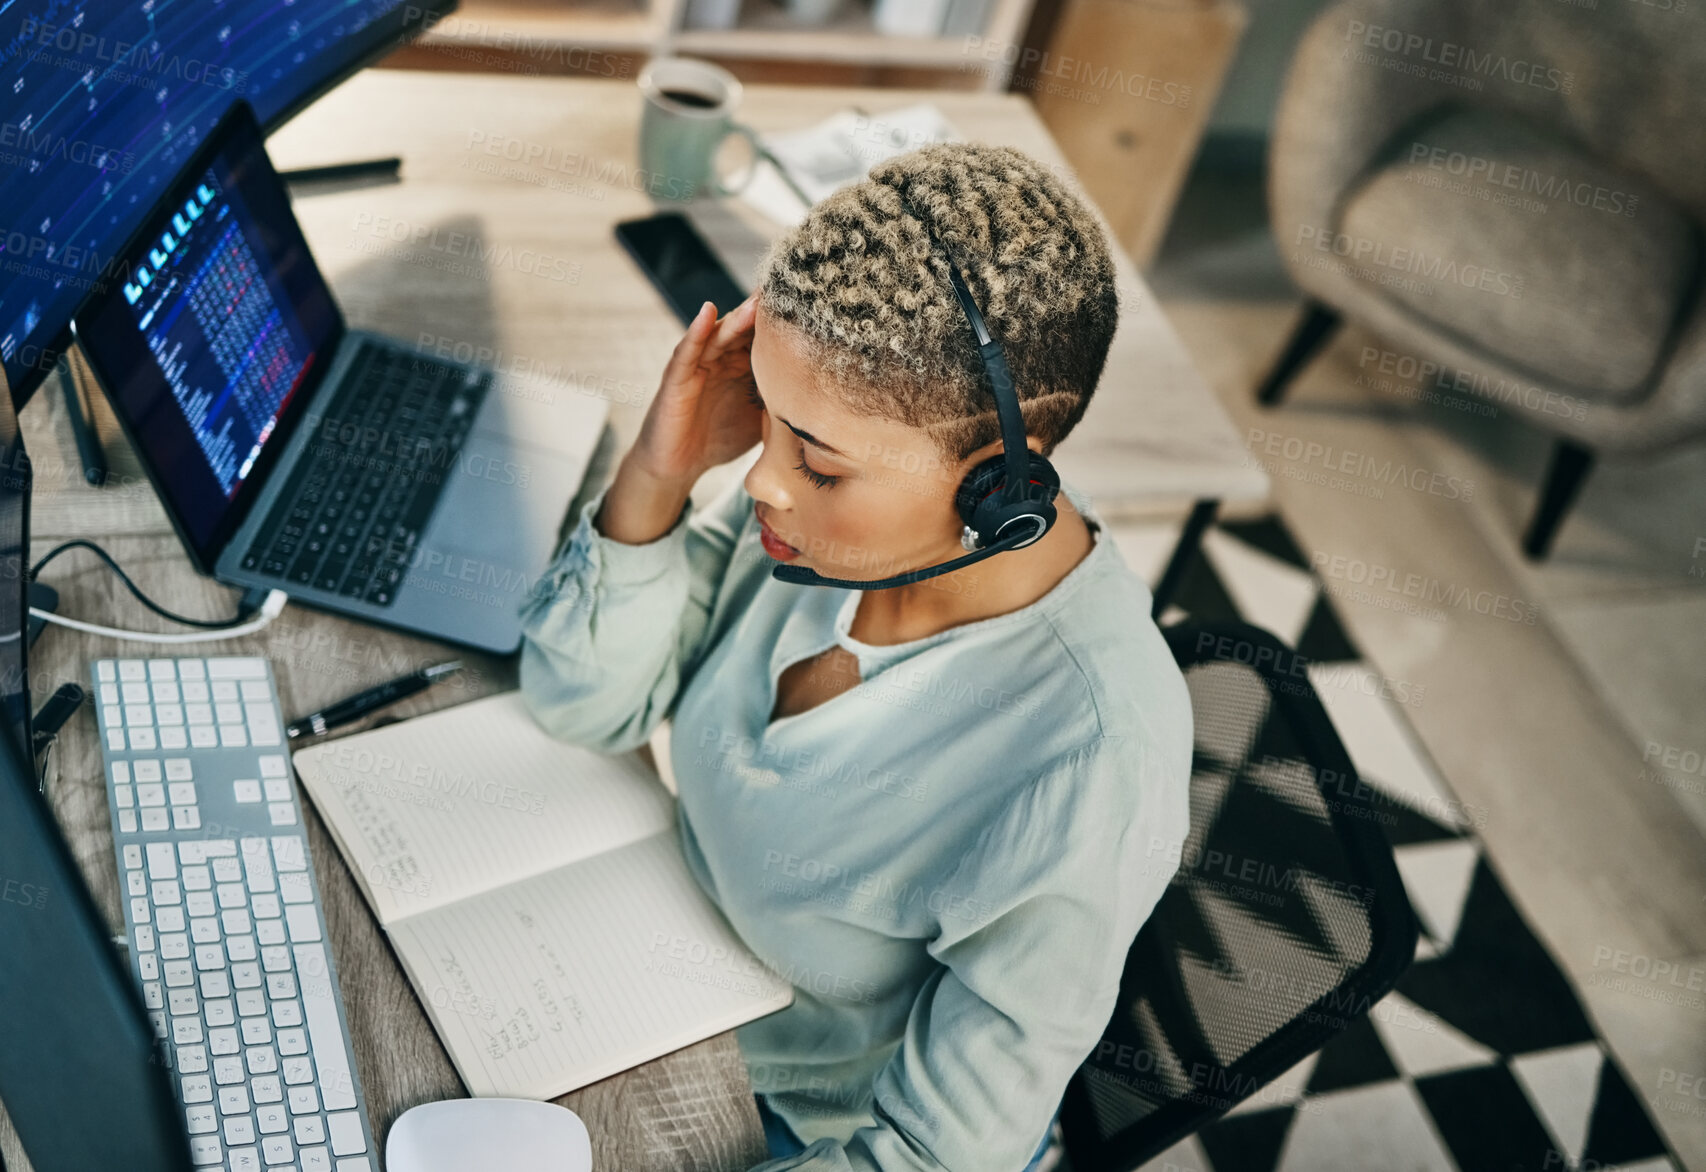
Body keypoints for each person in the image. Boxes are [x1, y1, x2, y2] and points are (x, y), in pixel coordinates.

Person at [517, 141, 1192, 1171]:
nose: (761, 486)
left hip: (778, 1118)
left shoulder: (1089, 766)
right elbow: (580, 703)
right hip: (643, 959)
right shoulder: (830, 528)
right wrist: (660, 469)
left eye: (817, 464)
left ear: (995, 494)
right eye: (768, 423)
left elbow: (925, 1159)